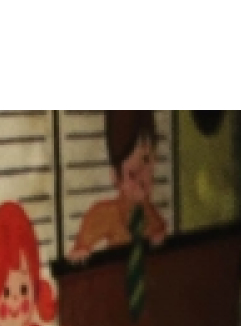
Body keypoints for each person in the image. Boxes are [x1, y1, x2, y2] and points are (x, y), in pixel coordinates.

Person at [67, 110, 168, 263]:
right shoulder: (103, 214)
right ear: (115, 176)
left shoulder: (153, 216)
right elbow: (78, 255)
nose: (142, 179)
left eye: (147, 161)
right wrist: (82, 253)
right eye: (132, 175)